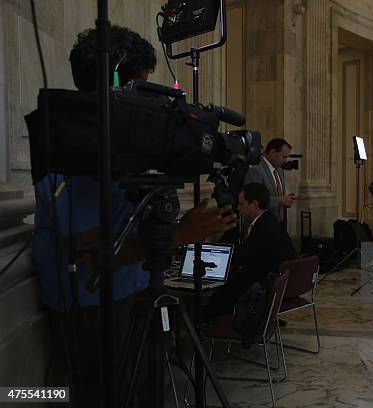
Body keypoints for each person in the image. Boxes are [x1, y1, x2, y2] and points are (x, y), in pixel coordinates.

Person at [32, 26, 237, 407]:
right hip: (96, 312)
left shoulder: (113, 147)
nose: (148, 100)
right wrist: (180, 234)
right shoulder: (81, 156)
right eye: (142, 87)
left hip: (128, 294)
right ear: (117, 88)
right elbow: (93, 258)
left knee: (146, 386)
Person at [203, 182, 296, 321]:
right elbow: (248, 250)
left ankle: (206, 324)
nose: (238, 208)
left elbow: (244, 256)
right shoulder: (268, 219)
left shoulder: (263, 228)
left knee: (223, 291)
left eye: (241, 204)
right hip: (274, 280)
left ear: (255, 205)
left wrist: (214, 257)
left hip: (264, 286)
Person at [244, 138, 297, 227]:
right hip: (263, 225)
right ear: (272, 152)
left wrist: (287, 200)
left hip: (280, 223)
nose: (285, 161)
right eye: (284, 157)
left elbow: (277, 195)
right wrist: (279, 200)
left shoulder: (279, 170)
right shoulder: (256, 170)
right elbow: (254, 200)